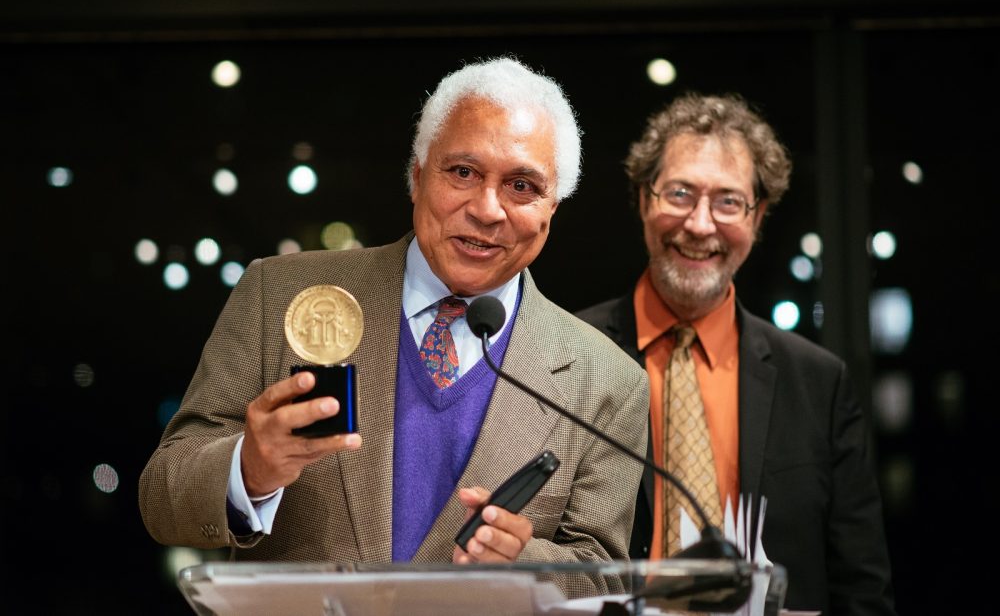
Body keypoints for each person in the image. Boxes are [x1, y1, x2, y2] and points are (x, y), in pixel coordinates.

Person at [138, 57, 649, 596]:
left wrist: (526, 565)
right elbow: (161, 499)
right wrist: (250, 469)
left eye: (522, 185)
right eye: (463, 173)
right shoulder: (279, 294)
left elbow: (603, 578)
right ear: (417, 176)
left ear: (553, 207)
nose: (487, 208)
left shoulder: (608, 380)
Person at [577, 93, 896, 615]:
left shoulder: (818, 383)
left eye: (728, 201)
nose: (701, 225)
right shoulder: (566, 356)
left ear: (758, 215)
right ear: (643, 200)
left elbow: (862, 589)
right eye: (679, 194)